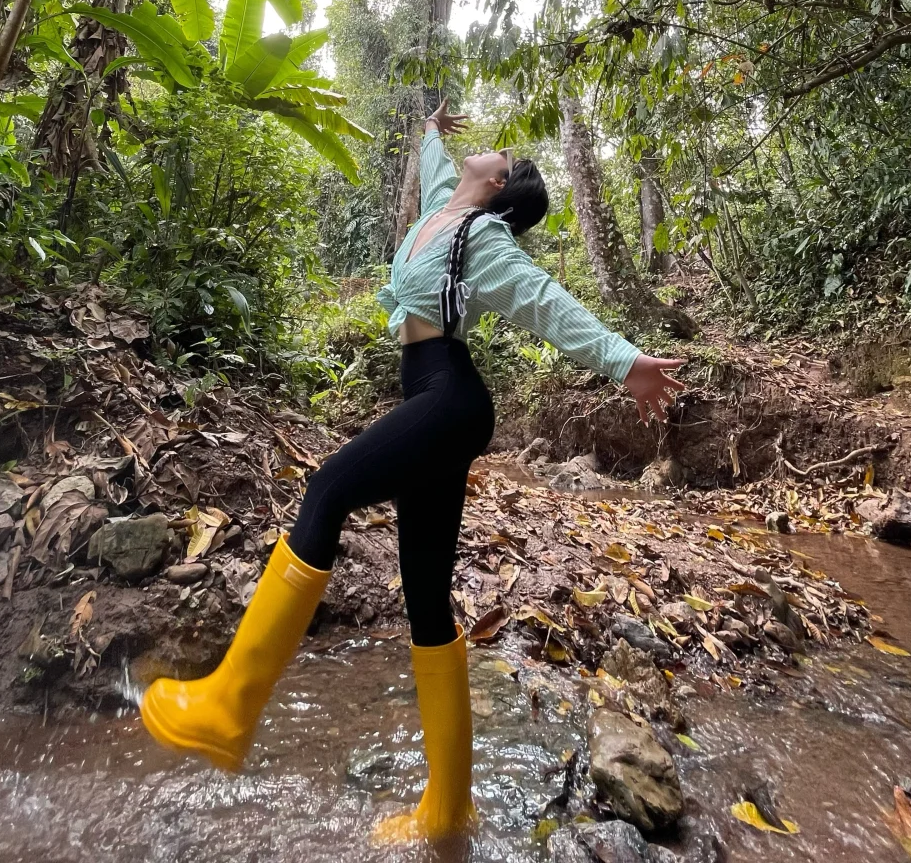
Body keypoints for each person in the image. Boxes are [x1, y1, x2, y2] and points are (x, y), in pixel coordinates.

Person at [139, 101, 685, 843]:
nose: (490, 150)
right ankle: (448, 810)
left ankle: (230, 708)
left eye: (500, 157)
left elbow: (545, 302)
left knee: (326, 491)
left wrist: (624, 362)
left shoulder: (482, 237)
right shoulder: (442, 206)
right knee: (426, 597)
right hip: (430, 393)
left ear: (497, 187)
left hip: (448, 396)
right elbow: (434, 167)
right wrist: (430, 130)